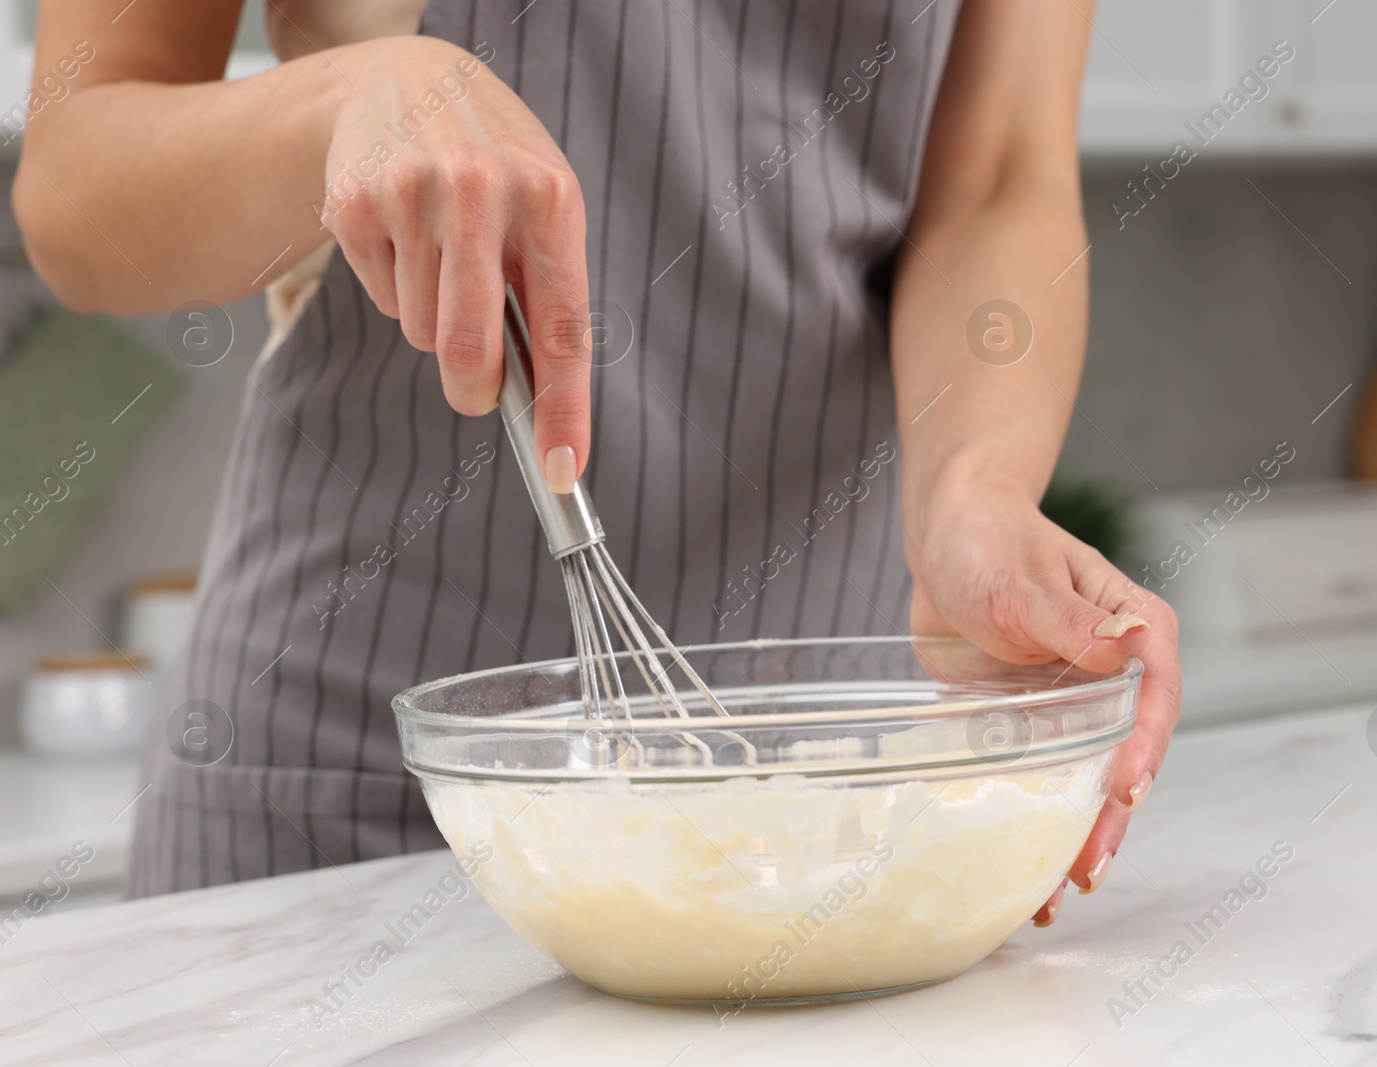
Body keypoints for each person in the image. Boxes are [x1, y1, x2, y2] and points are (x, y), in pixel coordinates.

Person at [15, 0, 1179, 921]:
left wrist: (969, 491)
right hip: (357, 786)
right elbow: (74, 191)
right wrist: (354, 98)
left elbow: (994, 178)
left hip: (821, 797)